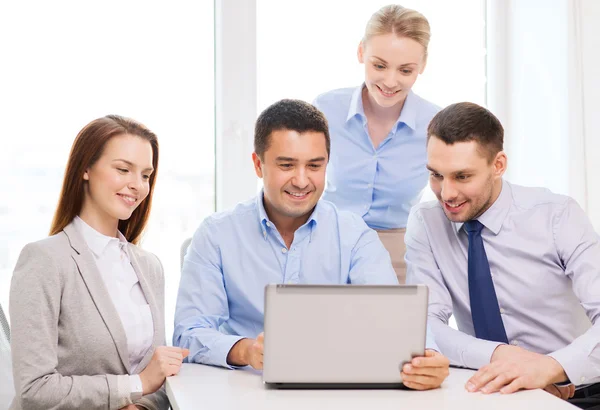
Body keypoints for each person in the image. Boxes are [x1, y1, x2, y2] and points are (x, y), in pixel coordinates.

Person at [174, 99, 449, 390]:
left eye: (314, 166)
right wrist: (246, 350)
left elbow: (394, 322)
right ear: (258, 164)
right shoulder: (216, 234)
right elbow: (189, 332)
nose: (302, 180)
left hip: (335, 393)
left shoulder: (355, 235)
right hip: (242, 390)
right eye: (287, 165)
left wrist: (427, 357)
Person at [405, 102, 600, 408]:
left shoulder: (557, 216)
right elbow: (425, 328)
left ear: (498, 165)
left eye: (462, 177)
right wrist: (502, 357)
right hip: (488, 389)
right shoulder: (426, 222)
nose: (446, 193)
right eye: (436, 176)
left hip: (577, 393)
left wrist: (550, 369)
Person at [9, 115, 188, 410]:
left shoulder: (149, 267)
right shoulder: (44, 260)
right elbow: (34, 389)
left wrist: (140, 406)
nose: (137, 185)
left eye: (145, 175)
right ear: (86, 169)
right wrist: (135, 386)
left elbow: (159, 375)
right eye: (123, 169)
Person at [313, 4, 440, 283]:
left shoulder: (435, 125)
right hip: (327, 246)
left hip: (398, 254)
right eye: (379, 65)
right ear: (361, 52)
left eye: (405, 70)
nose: (390, 81)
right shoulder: (325, 110)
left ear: (422, 66)